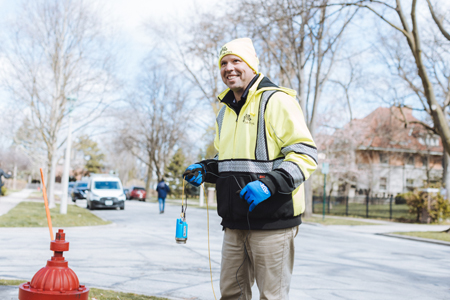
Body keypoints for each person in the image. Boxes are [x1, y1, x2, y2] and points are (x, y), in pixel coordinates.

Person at [183, 38, 317, 299]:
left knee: (271, 296)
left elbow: (305, 154)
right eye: (223, 63)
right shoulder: (224, 112)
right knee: (231, 294)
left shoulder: (276, 100)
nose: (229, 68)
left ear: (252, 65)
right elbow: (231, 161)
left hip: (273, 223)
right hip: (234, 225)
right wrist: (206, 169)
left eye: (236, 61)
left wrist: (270, 183)